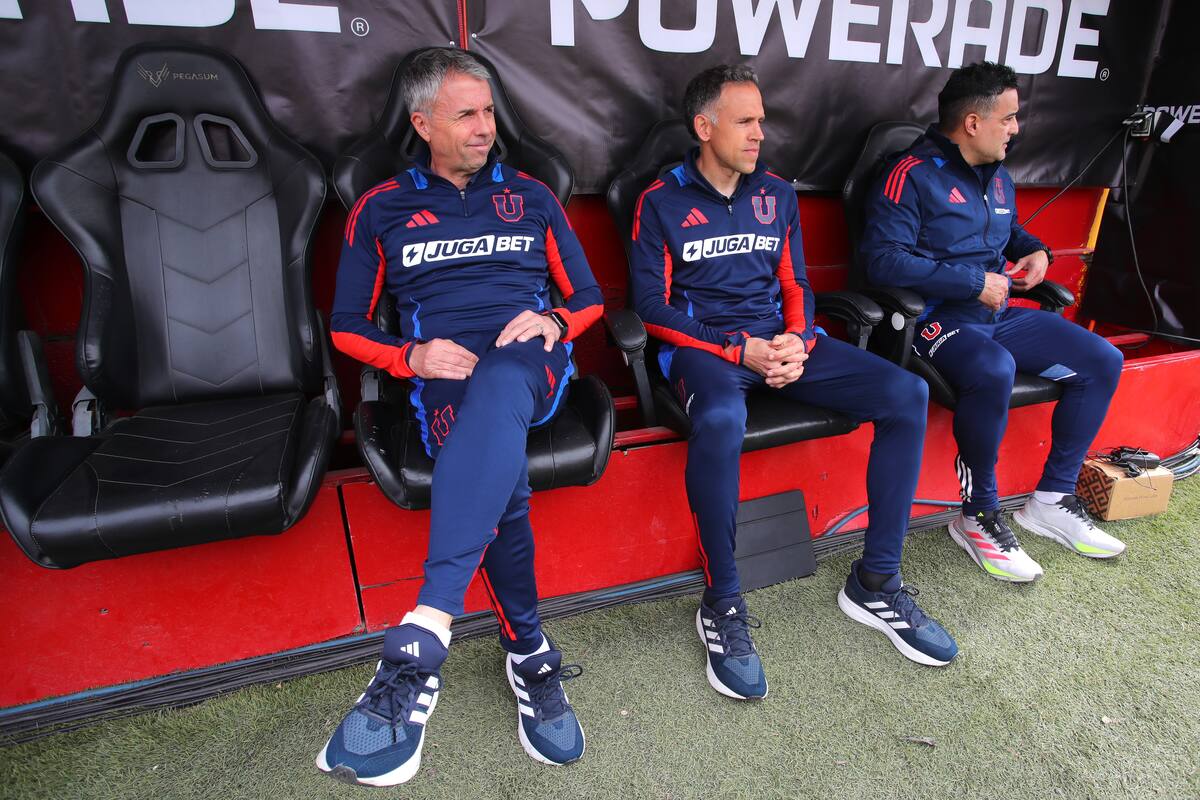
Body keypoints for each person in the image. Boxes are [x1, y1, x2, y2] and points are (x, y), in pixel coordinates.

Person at [317, 47, 603, 786]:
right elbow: (346, 326)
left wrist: (557, 325)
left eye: (489, 112)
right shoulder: (379, 208)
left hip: (530, 366)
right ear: (422, 123)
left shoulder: (533, 196)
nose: (486, 128)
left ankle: (428, 626)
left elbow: (591, 299)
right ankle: (530, 654)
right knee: (495, 475)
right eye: (466, 114)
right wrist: (409, 357)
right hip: (443, 378)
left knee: (504, 377)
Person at [632, 65, 959, 702]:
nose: (761, 133)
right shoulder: (661, 200)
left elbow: (797, 285)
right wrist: (739, 349)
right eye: (746, 121)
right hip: (709, 350)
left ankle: (877, 581)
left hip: (780, 343)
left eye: (762, 120)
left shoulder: (776, 193)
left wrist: (798, 340)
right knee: (722, 420)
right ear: (705, 127)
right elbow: (651, 307)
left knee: (906, 395)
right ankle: (722, 603)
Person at [860, 61, 1126, 584]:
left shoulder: (996, 176)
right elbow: (881, 261)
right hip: (931, 322)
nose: (1016, 128)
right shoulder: (909, 175)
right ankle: (977, 512)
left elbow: (1009, 233)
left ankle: (1050, 499)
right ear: (973, 123)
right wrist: (970, 282)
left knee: (1102, 359)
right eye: (1008, 118)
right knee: (994, 368)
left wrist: (1037, 252)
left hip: (994, 315)